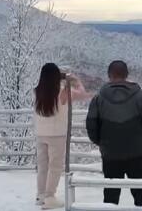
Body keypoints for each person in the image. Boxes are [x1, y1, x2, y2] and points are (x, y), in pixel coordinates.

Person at [86, 60, 142, 207]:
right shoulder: (140, 95)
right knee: (141, 194)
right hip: (136, 151)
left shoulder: (99, 98)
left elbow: (91, 124)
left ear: (109, 75)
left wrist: (101, 141)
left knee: (111, 195)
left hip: (110, 152)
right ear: (126, 75)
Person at [34, 63, 91, 209]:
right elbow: (83, 94)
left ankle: (41, 195)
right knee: (55, 166)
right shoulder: (63, 92)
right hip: (57, 134)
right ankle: (50, 197)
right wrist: (75, 80)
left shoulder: (37, 91)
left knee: (43, 166)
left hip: (40, 133)